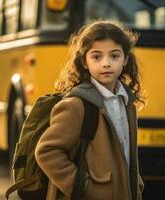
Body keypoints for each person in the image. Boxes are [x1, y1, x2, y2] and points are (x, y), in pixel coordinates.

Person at [35, 20, 145, 200]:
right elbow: (47, 151)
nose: (106, 64)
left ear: (125, 59)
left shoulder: (127, 103)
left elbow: (127, 154)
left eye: (114, 56)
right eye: (96, 56)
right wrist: (82, 187)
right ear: (84, 61)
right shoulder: (76, 105)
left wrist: (136, 185)